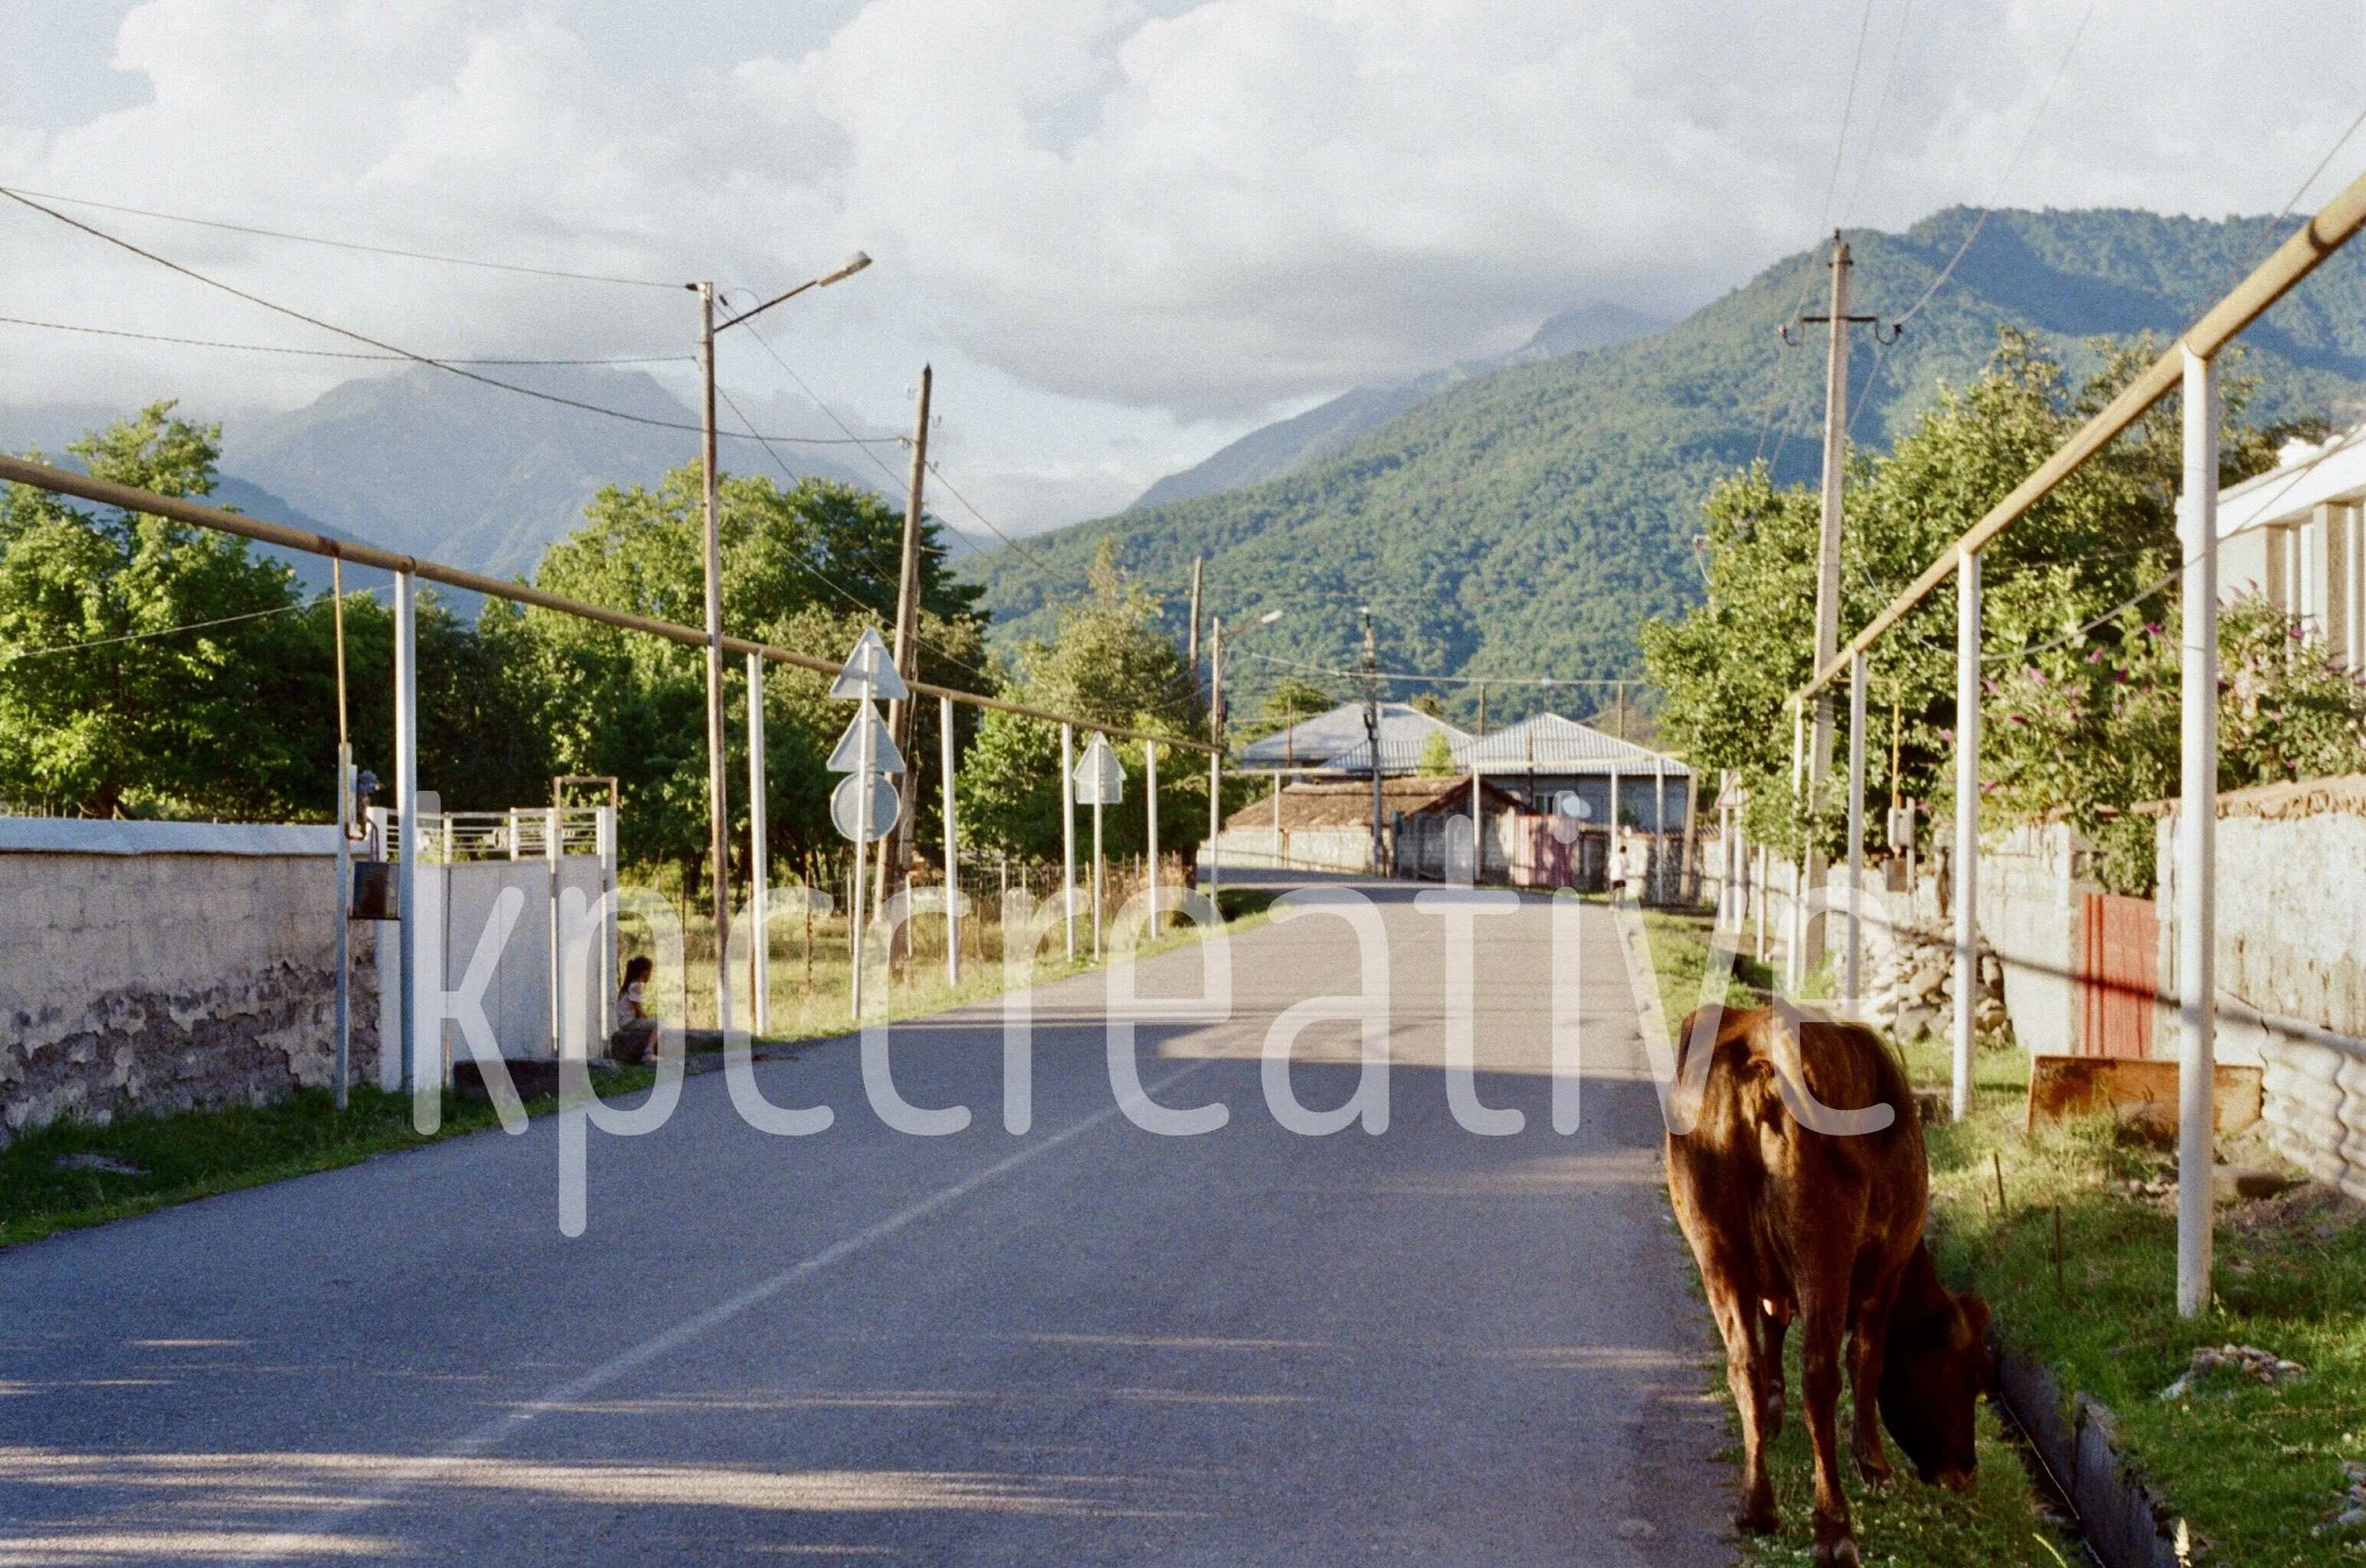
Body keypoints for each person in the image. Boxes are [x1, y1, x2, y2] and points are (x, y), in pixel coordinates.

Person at [610, 956, 662, 1065]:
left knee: (653, 1023)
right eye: (649, 972)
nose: (650, 975)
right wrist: (647, 1019)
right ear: (644, 972)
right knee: (659, 1024)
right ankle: (648, 1053)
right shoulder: (635, 986)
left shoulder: (629, 985)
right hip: (629, 1022)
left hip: (624, 1022)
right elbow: (638, 1010)